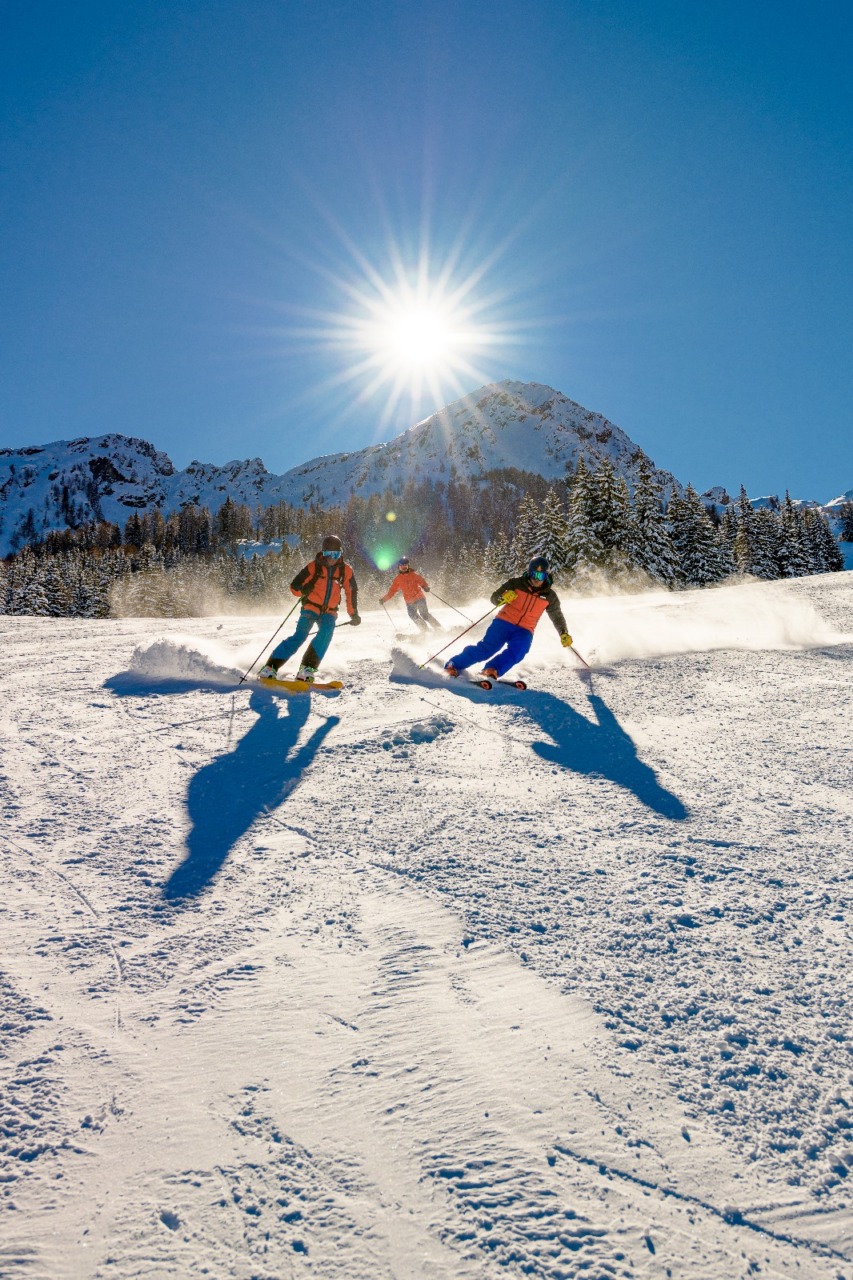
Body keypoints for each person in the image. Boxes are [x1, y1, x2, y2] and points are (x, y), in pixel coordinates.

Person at [444, 556, 572, 679]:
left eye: (540, 575)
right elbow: (494, 598)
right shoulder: (516, 584)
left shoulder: (550, 596)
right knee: (487, 649)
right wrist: (503, 598)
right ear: (529, 573)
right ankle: (453, 664)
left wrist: (563, 633)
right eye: (533, 574)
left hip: (525, 630)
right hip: (503, 623)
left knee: (519, 651)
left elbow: (557, 616)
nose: (536, 579)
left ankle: (492, 669)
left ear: (546, 575)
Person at [259, 535, 360, 682]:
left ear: (341, 553)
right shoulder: (314, 566)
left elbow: (351, 592)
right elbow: (294, 587)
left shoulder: (346, 570)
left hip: (329, 612)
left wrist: (353, 613)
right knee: (300, 636)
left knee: (326, 633)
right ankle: (270, 667)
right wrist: (304, 589)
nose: (331, 559)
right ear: (323, 552)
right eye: (328, 554)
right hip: (310, 608)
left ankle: (307, 669)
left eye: (335, 554)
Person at [380, 556, 440, 631]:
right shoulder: (398, 579)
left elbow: (421, 581)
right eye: (402, 567)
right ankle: (425, 630)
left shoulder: (413, 575)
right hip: (409, 601)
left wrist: (425, 587)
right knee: (412, 615)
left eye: (405, 567)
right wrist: (384, 599)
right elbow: (392, 591)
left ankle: (438, 627)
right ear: (399, 567)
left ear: (408, 567)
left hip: (419, 598)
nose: (404, 569)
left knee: (424, 614)